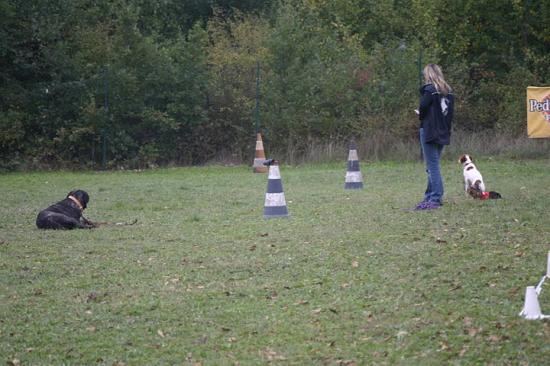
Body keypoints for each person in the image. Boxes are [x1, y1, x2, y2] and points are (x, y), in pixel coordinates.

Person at [414, 64, 454, 210]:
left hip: (430, 131)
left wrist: (421, 115)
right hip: (443, 131)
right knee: (432, 165)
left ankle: (435, 197)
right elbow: (449, 114)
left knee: (432, 166)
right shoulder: (448, 92)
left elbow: (423, 107)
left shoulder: (430, 90)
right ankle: (430, 195)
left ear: (428, 75)